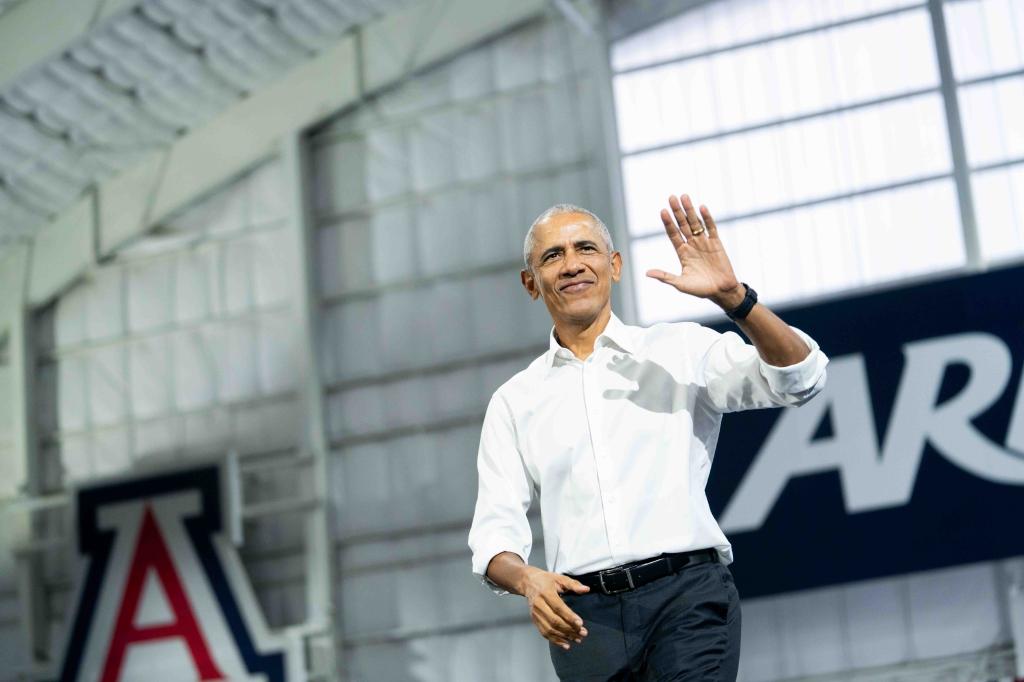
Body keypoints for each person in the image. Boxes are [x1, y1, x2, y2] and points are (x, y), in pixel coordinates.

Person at [467, 194, 828, 681]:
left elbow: (799, 378)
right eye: (553, 256)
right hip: (583, 622)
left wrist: (735, 299)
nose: (572, 265)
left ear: (613, 266)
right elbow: (493, 536)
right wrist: (528, 580)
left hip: (687, 598)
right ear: (531, 283)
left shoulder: (678, 349)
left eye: (586, 249)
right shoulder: (515, 401)